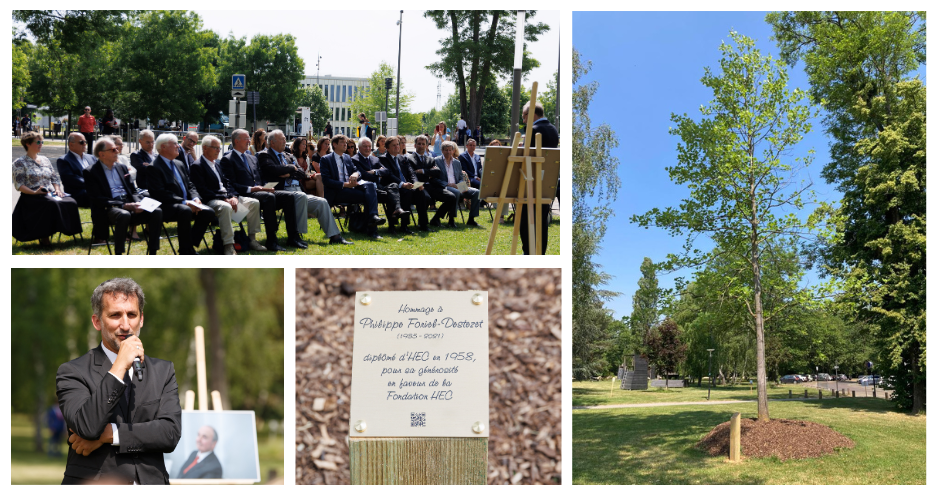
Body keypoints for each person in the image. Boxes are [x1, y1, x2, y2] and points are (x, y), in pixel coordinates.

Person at [56, 278, 181, 484]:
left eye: (131, 315)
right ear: (97, 322)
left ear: (141, 319)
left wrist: (111, 434)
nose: (125, 324)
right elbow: (87, 427)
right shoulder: (72, 371)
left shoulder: (163, 370)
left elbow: (169, 433)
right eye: (115, 315)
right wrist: (119, 366)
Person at [258, 130, 350, 246]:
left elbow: (301, 173)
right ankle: (296, 236)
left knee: (322, 202)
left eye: (285, 138)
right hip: (280, 192)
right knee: (301, 196)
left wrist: (287, 171)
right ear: (272, 142)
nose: (285, 141)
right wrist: (292, 169)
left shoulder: (288, 156)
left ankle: (335, 236)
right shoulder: (265, 155)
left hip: (297, 190)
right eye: (282, 139)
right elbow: (273, 170)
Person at [219, 128, 300, 252]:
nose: (248, 140)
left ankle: (293, 237)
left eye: (248, 138)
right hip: (245, 194)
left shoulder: (252, 158)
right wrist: (252, 189)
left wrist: (266, 187)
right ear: (236, 141)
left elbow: (260, 178)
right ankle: (272, 240)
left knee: (288, 196)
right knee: (269, 197)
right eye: (246, 138)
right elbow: (230, 183)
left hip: (261, 191)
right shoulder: (228, 159)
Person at [83, 136, 162, 255]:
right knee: (124, 215)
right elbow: (97, 198)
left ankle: (153, 253)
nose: (117, 151)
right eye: (113, 149)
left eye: (117, 148)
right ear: (102, 154)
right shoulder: (91, 171)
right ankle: (119, 255)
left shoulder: (122, 167)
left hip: (129, 204)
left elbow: (133, 191)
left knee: (156, 211)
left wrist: (138, 203)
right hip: (109, 208)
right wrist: (124, 205)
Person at [189, 135, 264, 255]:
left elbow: (228, 183)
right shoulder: (197, 166)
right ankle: (228, 245)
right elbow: (202, 190)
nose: (219, 151)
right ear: (205, 148)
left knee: (253, 203)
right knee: (226, 207)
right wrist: (225, 199)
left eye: (219, 148)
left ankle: (251, 239)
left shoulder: (217, 164)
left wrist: (232, 196)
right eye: (215, 148)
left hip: (227, 197)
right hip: (212, 200)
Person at [146, 133, 213, 255]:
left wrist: (196, 198)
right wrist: (185, 202)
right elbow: (160, 193)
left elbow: (190, 185)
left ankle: (188, 244)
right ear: (163, 147)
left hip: (186, 203)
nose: (178, 146)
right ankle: (186, 250)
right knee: (185, 210)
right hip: (167, 206)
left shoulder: (179, 164)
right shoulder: (154, 167)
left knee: (208, 211)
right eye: (175, 143)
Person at [12, 131, 82, 246]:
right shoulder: (19, 163)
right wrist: (34, 192)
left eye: (42, 142)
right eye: (38, 142)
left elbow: (54, 178)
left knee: (71, 201)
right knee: (50, 204)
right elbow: (19, 185)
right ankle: (45, 237)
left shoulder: (45, 159)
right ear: (28, 144)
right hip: (31, 197)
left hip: (50, 193)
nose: (41, 144)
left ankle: (71, 233)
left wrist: (58, 190)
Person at [319, 134, 386, 239]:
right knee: (370, 196)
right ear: (335, 145)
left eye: (346, 143)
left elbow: (357, 170)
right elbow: (326, 181)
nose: (345, 145)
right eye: (342, 143)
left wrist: (355, 174)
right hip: (338, 191)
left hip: (352, 187)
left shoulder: (346, 157)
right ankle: (372, 229)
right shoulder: (326, 160)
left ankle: (373, 218)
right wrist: (346, 185)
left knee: (369, 186)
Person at [519, 100, 559, 255]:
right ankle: (540, 253)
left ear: (532, 114)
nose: (523, 120)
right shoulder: (554, 130)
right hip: (547, 183)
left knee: (525, 221)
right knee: (541, 221)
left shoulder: (533, 130)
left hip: (530, 181)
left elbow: (523, 157)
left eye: (524, 116)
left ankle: (529, 254)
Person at [352, 137, 408, 234]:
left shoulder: (374, 159)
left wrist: (374, 172)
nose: (368, 148)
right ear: (359, 148)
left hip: (379, 186)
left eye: (369, 146)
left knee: (393, 187)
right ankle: (374, 230)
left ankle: (396, 213)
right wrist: (378, 175)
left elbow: (386, 171)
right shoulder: (354, 159)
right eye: (365, 146)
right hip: (364, 189)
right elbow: (363, 175)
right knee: (387, 195)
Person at [378, 136, 429, 233]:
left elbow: (411, 173)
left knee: (421, 193)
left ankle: (423, 224)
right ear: (387, 148)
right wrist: (403, 184)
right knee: (407, 192)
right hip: (392, 187)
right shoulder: (383, 159)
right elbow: (389, 175)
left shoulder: (403, 158)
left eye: (398, 144)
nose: (397, 146)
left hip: (407, 185)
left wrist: (416, 183)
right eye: (394, 145)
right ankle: (401, 226)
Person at [407, 135, 455, 228]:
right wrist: (429, 172)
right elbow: (413, 174)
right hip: (418, 185)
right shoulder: (410, 158)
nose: (421, 146)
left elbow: (437, 172)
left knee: (451, 197)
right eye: (419, 144)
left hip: (431, 185)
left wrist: (423, 171)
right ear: (415, 145)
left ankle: (436, 218)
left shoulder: (430, 159)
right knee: (426, 198)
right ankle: (423, 223)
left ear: (427, 145)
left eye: (423, 144)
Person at [430, 141, 481, 228]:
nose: (448, 152)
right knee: (456, 193)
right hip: (445, 186)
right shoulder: (436, 161)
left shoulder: (457, 162)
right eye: (446, 150)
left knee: (476, 192)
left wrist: (462, 186)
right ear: (442, 151)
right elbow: (434, 178)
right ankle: (451, 219)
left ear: (453, 151)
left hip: (457, 185)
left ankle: (471, 219)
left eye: (450, 150)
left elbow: (460, 177)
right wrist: (448, 184)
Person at [56, 133, 96, 207]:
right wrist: (93, 184)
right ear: (71, 144)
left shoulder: (92, 158)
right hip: (79, 193)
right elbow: (71, 180)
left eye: (85, 142)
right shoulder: (64, 160)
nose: (84, 144)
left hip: (93, 190)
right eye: (81, 142)